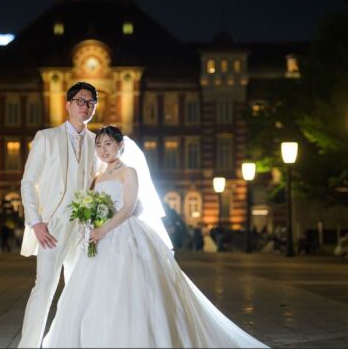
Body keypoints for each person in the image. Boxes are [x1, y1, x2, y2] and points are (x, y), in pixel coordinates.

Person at [42, 126, 268, 348]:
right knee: (94, 294)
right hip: (100, 238)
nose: (103, 149)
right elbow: (93, 206)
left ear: (120, 146)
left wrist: (103, 230)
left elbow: (130, 207)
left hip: (124, 234)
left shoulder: (128, 171)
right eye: (99, 145)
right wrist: (90, 225)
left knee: (132, 289)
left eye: (108, 144)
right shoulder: (97, 178)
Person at [18, 82, 104, 348]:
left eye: (91, 103)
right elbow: (27, 182)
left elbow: (97, 182)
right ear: (67, 104)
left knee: (79, 291)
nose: (86, 107)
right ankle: (29, 345)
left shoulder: (96, 142)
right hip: (52, 225)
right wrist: (36, 222)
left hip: (83, 228)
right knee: (44, 288)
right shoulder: (46, 137)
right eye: (80, 101)